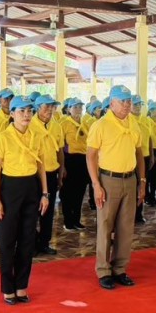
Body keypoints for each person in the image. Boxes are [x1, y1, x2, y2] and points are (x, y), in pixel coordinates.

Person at [0, 96, 48, 305]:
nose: (26, 115)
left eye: (29, 111)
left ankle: (21, 286)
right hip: (9, 189)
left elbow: (41, 166)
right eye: (21, 111)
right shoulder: (3, 138)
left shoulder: (37, 135)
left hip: (31, 188)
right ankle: (8, 288)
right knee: (7, 240)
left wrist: (45, 193)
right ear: (12, 113)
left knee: (27, 239)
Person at [86, 85, 145, 290]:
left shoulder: (133, 122)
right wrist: (96, 185)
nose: (127, 105)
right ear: (111, 103)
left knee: (126, 227)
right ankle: (103, 270)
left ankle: (120, 268)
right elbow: (91, 156)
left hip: (130, 179)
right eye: (122, 101)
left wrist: (142, 181)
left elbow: (139, 153)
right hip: (108, 180)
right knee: (105, 225)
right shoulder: (101, 125)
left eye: (129, 101)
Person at [30, 94, 64, 256]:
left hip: (51, 173)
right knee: (32, 211)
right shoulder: (29, 125)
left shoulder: (56, 126)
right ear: (37, 108)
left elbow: (60, 151)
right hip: (34, 175)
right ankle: (31, 243)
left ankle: (44, 242)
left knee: (48, 211)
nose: (50, 110)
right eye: (46, 106)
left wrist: (61, 171)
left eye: (52, 107)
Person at [60, 98, 89, 231]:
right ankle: (68, 221)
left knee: (80, 191)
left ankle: (77, 219)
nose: (78, 110)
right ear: (68, 109)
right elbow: (60, 146)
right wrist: (63, 166)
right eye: (75, 107)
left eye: (80, 107)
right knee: (68, 192)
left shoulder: (85, 124)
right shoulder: (64, 124)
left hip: (83, 160)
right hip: (69, 160)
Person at [130, 95, 152, 225]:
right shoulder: (128, 120)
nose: (138, 107)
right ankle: (131, 214)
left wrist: (152, 156)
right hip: (133, 157)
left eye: (139, 104)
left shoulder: (145, 120)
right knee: (133, 185)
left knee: (143, 184)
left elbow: (149, 138)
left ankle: (139, 213)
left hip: (145, 156)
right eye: (135, 104)